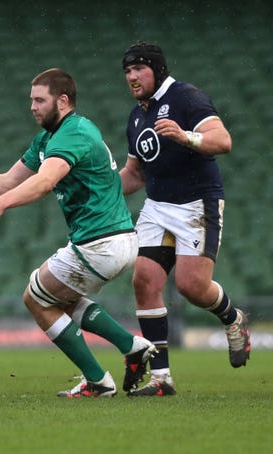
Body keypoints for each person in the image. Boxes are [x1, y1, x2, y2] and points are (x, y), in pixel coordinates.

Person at [0, 68, 156, 398]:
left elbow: (44, 182)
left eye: (39, 100)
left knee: (36, 299)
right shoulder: (49, 137)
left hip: (100, 242)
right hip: (111, 240)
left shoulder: (73, 133)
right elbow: (8, 179)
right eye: (31, 100)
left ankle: (99, 378)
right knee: (60, 298)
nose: (32, 106)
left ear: (62, 100)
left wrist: (0, 205)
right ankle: (130, 346)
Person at [118, 42, 250, 396]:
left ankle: (232, 318)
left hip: (197, 203)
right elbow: (135, 174)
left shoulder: (186, 96)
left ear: (157, 69)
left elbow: (223, 140)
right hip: (158, 205)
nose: (132, 76)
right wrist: (102, 191)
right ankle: (161, 379)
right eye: (128, 71)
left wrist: (185, 135)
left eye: (139, 69)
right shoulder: (137, 115)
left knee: (191, 286)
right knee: (144, 281)